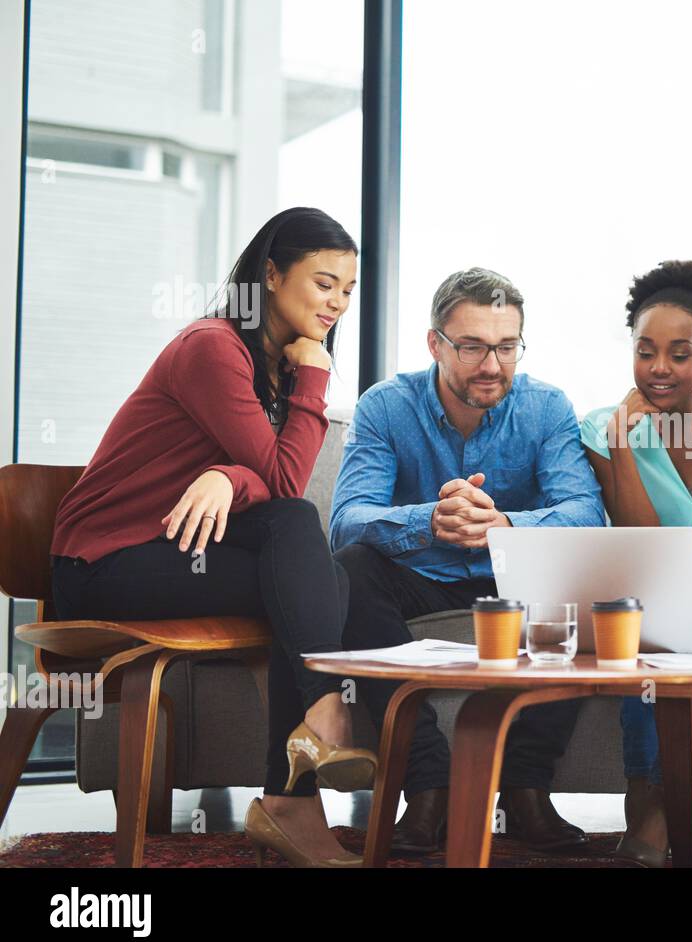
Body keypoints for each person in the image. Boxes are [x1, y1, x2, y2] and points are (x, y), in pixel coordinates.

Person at [50, 207, 369, 867]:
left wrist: (227, 476)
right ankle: (314, 742)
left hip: (169, 545)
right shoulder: (213, 347)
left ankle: (295, 787)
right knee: (308, 576)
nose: (337, 302)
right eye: (323, 283)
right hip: (101, 560)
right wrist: (311, 376)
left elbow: (273, 488)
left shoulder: (273, 364)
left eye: (348, 288)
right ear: (272, 274)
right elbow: (284, 477)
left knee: (312, 568)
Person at [330, 266, 606, 855]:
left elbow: (586, 512)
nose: (492, 366)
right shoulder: (385, 407)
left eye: (507, 347)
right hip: (420, 577)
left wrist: (506, 526)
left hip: (515, 582)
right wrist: (429, 518)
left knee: (585, 578)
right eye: (474, 347)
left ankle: (526, 790)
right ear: (435, 344)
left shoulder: (547, 407)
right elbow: (346, 519)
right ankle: (428, 786)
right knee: (350, 568)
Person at [579, 260, 692, 867]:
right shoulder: (602, 428)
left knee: (687, 604)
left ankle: (654, 811)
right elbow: (638, 544)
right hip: (650, 596)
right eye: (645, 351)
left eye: (680, 354)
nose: (659, 368)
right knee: (655, 606)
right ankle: (648, 798)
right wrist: (625, 441)